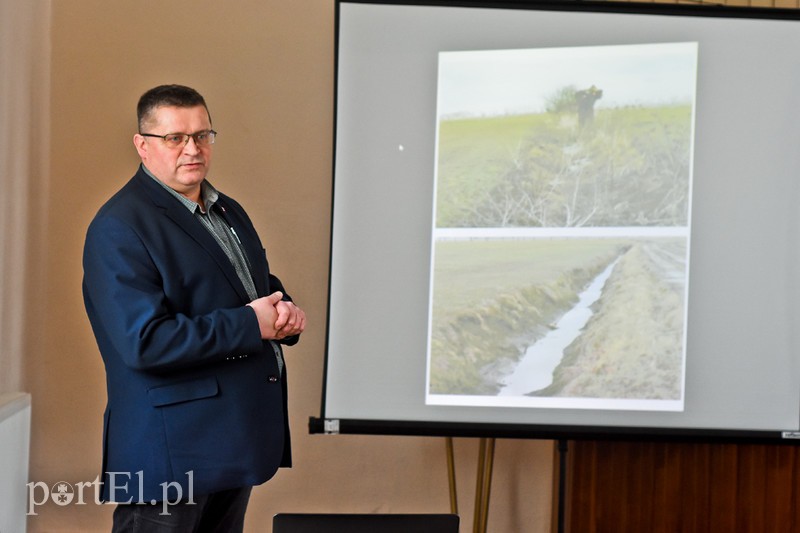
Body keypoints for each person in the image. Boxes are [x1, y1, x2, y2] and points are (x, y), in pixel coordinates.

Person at [82, 84, 306, 532]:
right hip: (169, 454)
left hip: (229, 442)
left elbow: (248, 285)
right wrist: (250, 324)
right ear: (142, 146)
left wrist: (282, 312)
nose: (192, 148)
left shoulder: (227, 209)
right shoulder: (118, 227)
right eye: (175, 138)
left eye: (203, 135)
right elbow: (144, 343)